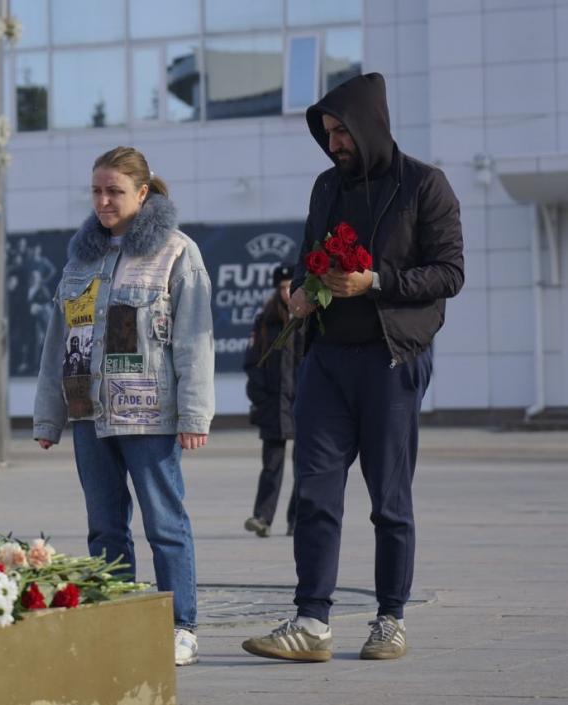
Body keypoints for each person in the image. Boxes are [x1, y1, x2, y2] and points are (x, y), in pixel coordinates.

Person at [242, 73, 464, 662]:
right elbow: (308, 256)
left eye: (342, 132)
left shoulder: (425, 185)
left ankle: (390, 618)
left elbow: (450, 274)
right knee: (314, 492)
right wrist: (300, 290)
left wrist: (377, 282)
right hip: (327, 361)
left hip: (391, 361)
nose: (335, 143)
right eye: (329, 134)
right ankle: (311, 621)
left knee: (389, 500)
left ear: (370, 127)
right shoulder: (325, 187)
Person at [33, 146, 215, 667]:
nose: (104, 200)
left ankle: (181, 625)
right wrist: (50, 417)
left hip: (150, 414)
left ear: (142, 192)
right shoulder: (80, 259)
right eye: (96, 190)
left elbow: (193, 339)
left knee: (164, 522)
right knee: (104, 526)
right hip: (90, 414)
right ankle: (116, 618)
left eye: (114, 191)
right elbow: (57, 341)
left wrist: (194, 414)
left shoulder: (177, 253)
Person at [242, 264, 302, 538]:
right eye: (281, 287)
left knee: (306, 466)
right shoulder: (265, 320)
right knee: (271, 465)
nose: (286, 292)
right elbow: (252, 362)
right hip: (273, 407)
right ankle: (262, 518)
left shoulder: (310, 316)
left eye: (290, 286)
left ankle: (298, 520)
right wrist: (260, 397)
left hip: (305, 405)